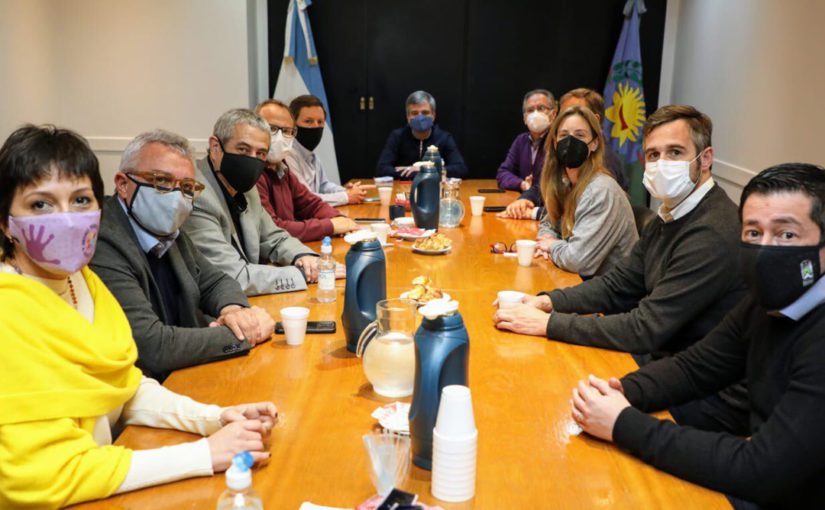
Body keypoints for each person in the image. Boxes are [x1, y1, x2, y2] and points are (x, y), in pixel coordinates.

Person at [0, 125, 276, 508]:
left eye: (80, 200)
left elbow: (126, 387)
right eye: (40, 205)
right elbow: (47, 475)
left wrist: (216, 417)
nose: (67, 218)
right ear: (5, 222)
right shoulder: (9, 310)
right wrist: (203, 455)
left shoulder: (81, 281)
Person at [571, 163, 825, 509]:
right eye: (753, 233)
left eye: (787, 235)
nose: (765, 249)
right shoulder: (764, 306)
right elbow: (695, 368)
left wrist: (621, 423)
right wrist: (621, 391)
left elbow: (762, 470)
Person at [494, 105, 748, 433]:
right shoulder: (671, 215)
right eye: (653, 155)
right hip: (666, 366)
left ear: (706, 158)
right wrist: (546, 301)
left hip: (706, 394)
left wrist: (549, 324)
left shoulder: (711, 232)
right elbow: (618, 284)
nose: (662, 163)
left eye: (675, 152)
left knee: (557, 404)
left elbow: (646, 328)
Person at [90, 130, 275, 382]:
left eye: (186, 187)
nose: (176, 197)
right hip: (141, 390)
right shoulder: (102, 240)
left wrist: (236, 312)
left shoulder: (169, 233)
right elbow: (151, 346)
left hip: (185, 374)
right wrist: (244, 334)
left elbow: (216, 281)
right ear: (123, 184)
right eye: (161, 181)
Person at [181, 108, 321, 296]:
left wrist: (304, 257)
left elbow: (274, 238)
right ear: (215, 147)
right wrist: (302, 275)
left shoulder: (246, 188)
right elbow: (233, 277)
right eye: (243, 150)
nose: (252, 161)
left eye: (261, 153)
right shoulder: (196, 196)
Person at [518, 105, 637, 277]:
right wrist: (546, 242)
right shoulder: (565, 182)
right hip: (580, 281)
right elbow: (548, 224)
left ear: (594, 143)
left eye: (580, 135)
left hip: (611, 290)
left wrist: (552, 246)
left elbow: (578, 261)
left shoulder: (600, 190)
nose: (570, 142)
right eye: (564, 135)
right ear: (554, 143)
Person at [505, 88, 628, 219]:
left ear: (595, 120)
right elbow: (547, 185)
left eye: (577, 112)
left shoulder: (606, 163)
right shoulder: (565, 151)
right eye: (564, 114)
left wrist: (534, 213)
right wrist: (526, 199)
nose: (568, 119)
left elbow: (582, 215)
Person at [255, 99, 360, 242]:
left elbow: (310, 204)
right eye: (272, 128)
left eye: (286, 131)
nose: (279, 137)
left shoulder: (282, 168)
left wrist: (339, 219)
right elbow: (273, 229)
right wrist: (330, 225)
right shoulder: (253, 173)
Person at [284, 94, 372, 206]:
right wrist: (346, 197)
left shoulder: (311, 155)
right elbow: (306, 198)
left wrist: (347, 191)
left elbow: (324, 185)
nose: (315, 126)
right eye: (308, 121)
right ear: (293, 124)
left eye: (320, 122)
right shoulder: (287, 155)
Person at [375, 90, 468, 179]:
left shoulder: (444, 137)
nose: (420, 117)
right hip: (404, 188)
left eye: (425, 113)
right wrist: (434, 171)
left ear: (433, 115)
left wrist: (423, 169)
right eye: (414, 113)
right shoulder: (397, 136)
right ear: (407, 116)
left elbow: (461, 169)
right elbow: (382, 169)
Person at [495, 89, 557, 191]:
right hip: (524, 198)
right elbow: (503, 173)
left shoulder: (558, 141)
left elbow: (556, 182)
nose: (535, 113)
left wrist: (532, 190)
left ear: (553, 114)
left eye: (541, 108)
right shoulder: (521, 140)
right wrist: (522, 184)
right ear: (524, 118)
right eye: (530, 110)